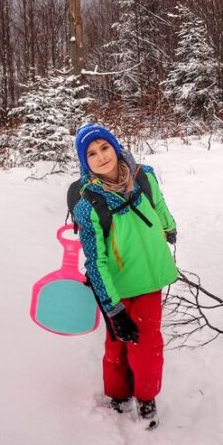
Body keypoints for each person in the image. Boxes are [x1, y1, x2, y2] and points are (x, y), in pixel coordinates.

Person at [70, 123, 178, 429]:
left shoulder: (144, 176)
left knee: (145, 343)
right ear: (84, 161)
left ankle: (146, 398)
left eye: (104, 147)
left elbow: (158, 205)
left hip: (149, 280)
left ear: (115, 147)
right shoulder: (88, 203)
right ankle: (118, 394)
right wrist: (113, 308)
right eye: (91, 153)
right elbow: (95, 260)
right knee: (116, 342)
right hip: (115, 286)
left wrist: (169, 227)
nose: (101, 156)